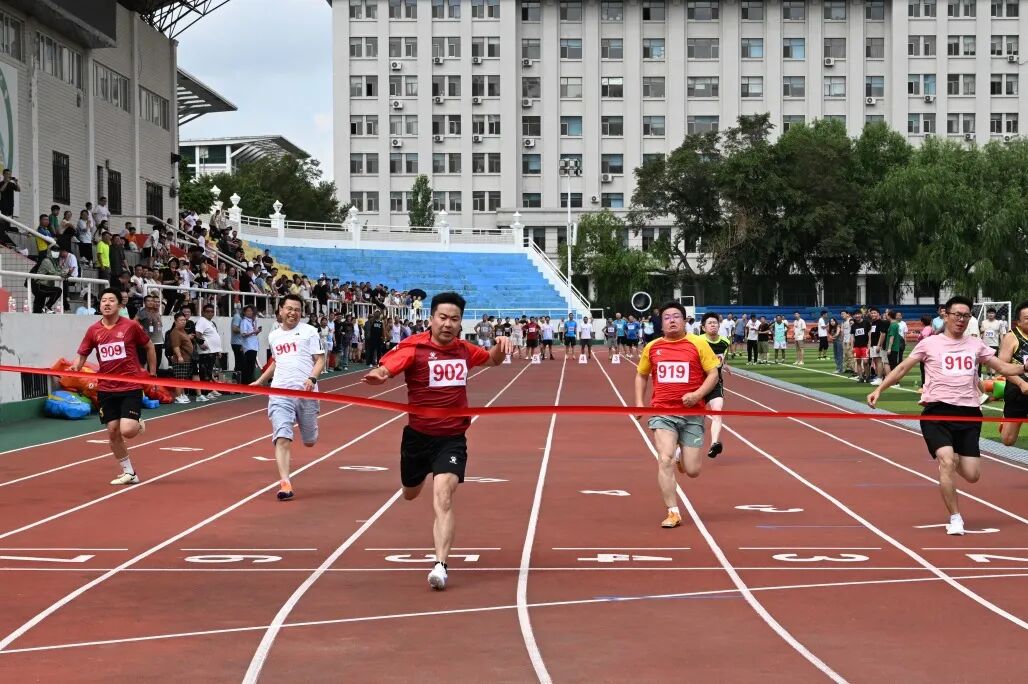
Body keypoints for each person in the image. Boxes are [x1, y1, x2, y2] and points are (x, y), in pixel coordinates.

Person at [364, 292, 512, 590]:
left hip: (452, 438)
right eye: (442, 318)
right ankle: (417, 476)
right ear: (431, 319)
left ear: (460, 323)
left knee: (443, 496)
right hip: (417, 438)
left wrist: (500, 346)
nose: (448, 324)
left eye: (454, 319)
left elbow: (493, 361)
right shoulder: (415, 348)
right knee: (410, 493)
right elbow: (389, 366)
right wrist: (380, 374)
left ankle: (440, 566)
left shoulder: (464, 350)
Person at [867, 296, 1028, 536]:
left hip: (969, 414)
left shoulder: (976, 345)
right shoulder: (930, 344)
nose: (961, 320)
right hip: (937, 412)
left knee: (972, 475)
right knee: (946, 461)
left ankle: (953, 456)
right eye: (957, 315)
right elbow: (902, 368)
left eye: (966, 316)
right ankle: (955, 517)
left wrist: (1024, 368)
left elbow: (1003, 367)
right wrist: (880, 389)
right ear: (946, 315)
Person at [635, 301, 720, 529]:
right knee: (665, 459)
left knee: (693, 470)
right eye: (667, 317)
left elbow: (713, 374)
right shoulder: (652, 347)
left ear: (684, 321)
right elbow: (641, 375)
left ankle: (683, 457)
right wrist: (639, 403)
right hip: (662, 412)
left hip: (692, 414)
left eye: (676, 316)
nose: (672, 320)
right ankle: (673, 512)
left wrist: (697, 394)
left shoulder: (698, 344)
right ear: (661, 323)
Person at [72, 288, 156, 485]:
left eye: (111, 300)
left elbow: (149, 346)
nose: (107, 304)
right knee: (112, 431)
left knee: (127, 430)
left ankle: (137, 423)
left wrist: (152, 373)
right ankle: (129, 472)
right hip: (106, 388)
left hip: (130, 386)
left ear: (119, 305)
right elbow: (82, 354)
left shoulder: (131, 326)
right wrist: (76, 366)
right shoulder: (93, 330)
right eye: (103, 301)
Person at [251, 294, 326, 501]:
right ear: (281, 310)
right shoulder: (274, 335)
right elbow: (276, 361)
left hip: (306, 393)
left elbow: (320, 360)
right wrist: (261, 380)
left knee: (310, 440)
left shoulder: (309, 332)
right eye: (289, 308)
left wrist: (312, 378)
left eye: (297, 310)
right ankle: (285, 483)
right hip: (280, 393)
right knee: (282, 437)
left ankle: (310, 425)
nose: (293, 313)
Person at [997, 301, 1028, 446]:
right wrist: (1021, 383)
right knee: (1008, 440)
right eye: (1027, 318)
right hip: (1017, 389)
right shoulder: (1011, 337)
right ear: (1018, 322)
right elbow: (1001, 366)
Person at [700, 312, 730, 459]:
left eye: (715, 323)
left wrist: (725, 364)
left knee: (717, 411)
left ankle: (714, 444)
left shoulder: (725, 342)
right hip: (698, 383)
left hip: (715, 383)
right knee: (694, 417)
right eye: (710, 323)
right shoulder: (697, 341)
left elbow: (722, 357)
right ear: (703, 327)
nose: (713, 325)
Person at [194, 303, 224, 401]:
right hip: (205, 352)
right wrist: (201, 343)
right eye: (208, 311)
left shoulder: (210, 322)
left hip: (212, 351)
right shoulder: (202, 321)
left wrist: (218, 350)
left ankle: (209, 390)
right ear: (203, 312)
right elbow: (197, 333)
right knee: (205, 373)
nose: (210, 313)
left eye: (212, 311)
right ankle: (205, 392)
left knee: (209, 372)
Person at [239, 305, 262, 384]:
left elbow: (253, 334)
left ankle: (249, 381)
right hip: (248, 346)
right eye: (248, 311)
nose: (250, 312)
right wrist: (254, 332)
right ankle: (246, 382)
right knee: (248, 365)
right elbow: (243, 334)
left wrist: (257, 332)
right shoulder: (244, 321)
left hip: (254, 345)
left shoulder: (252, 321)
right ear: (244, 312)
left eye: (251, 311)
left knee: (251, 365)